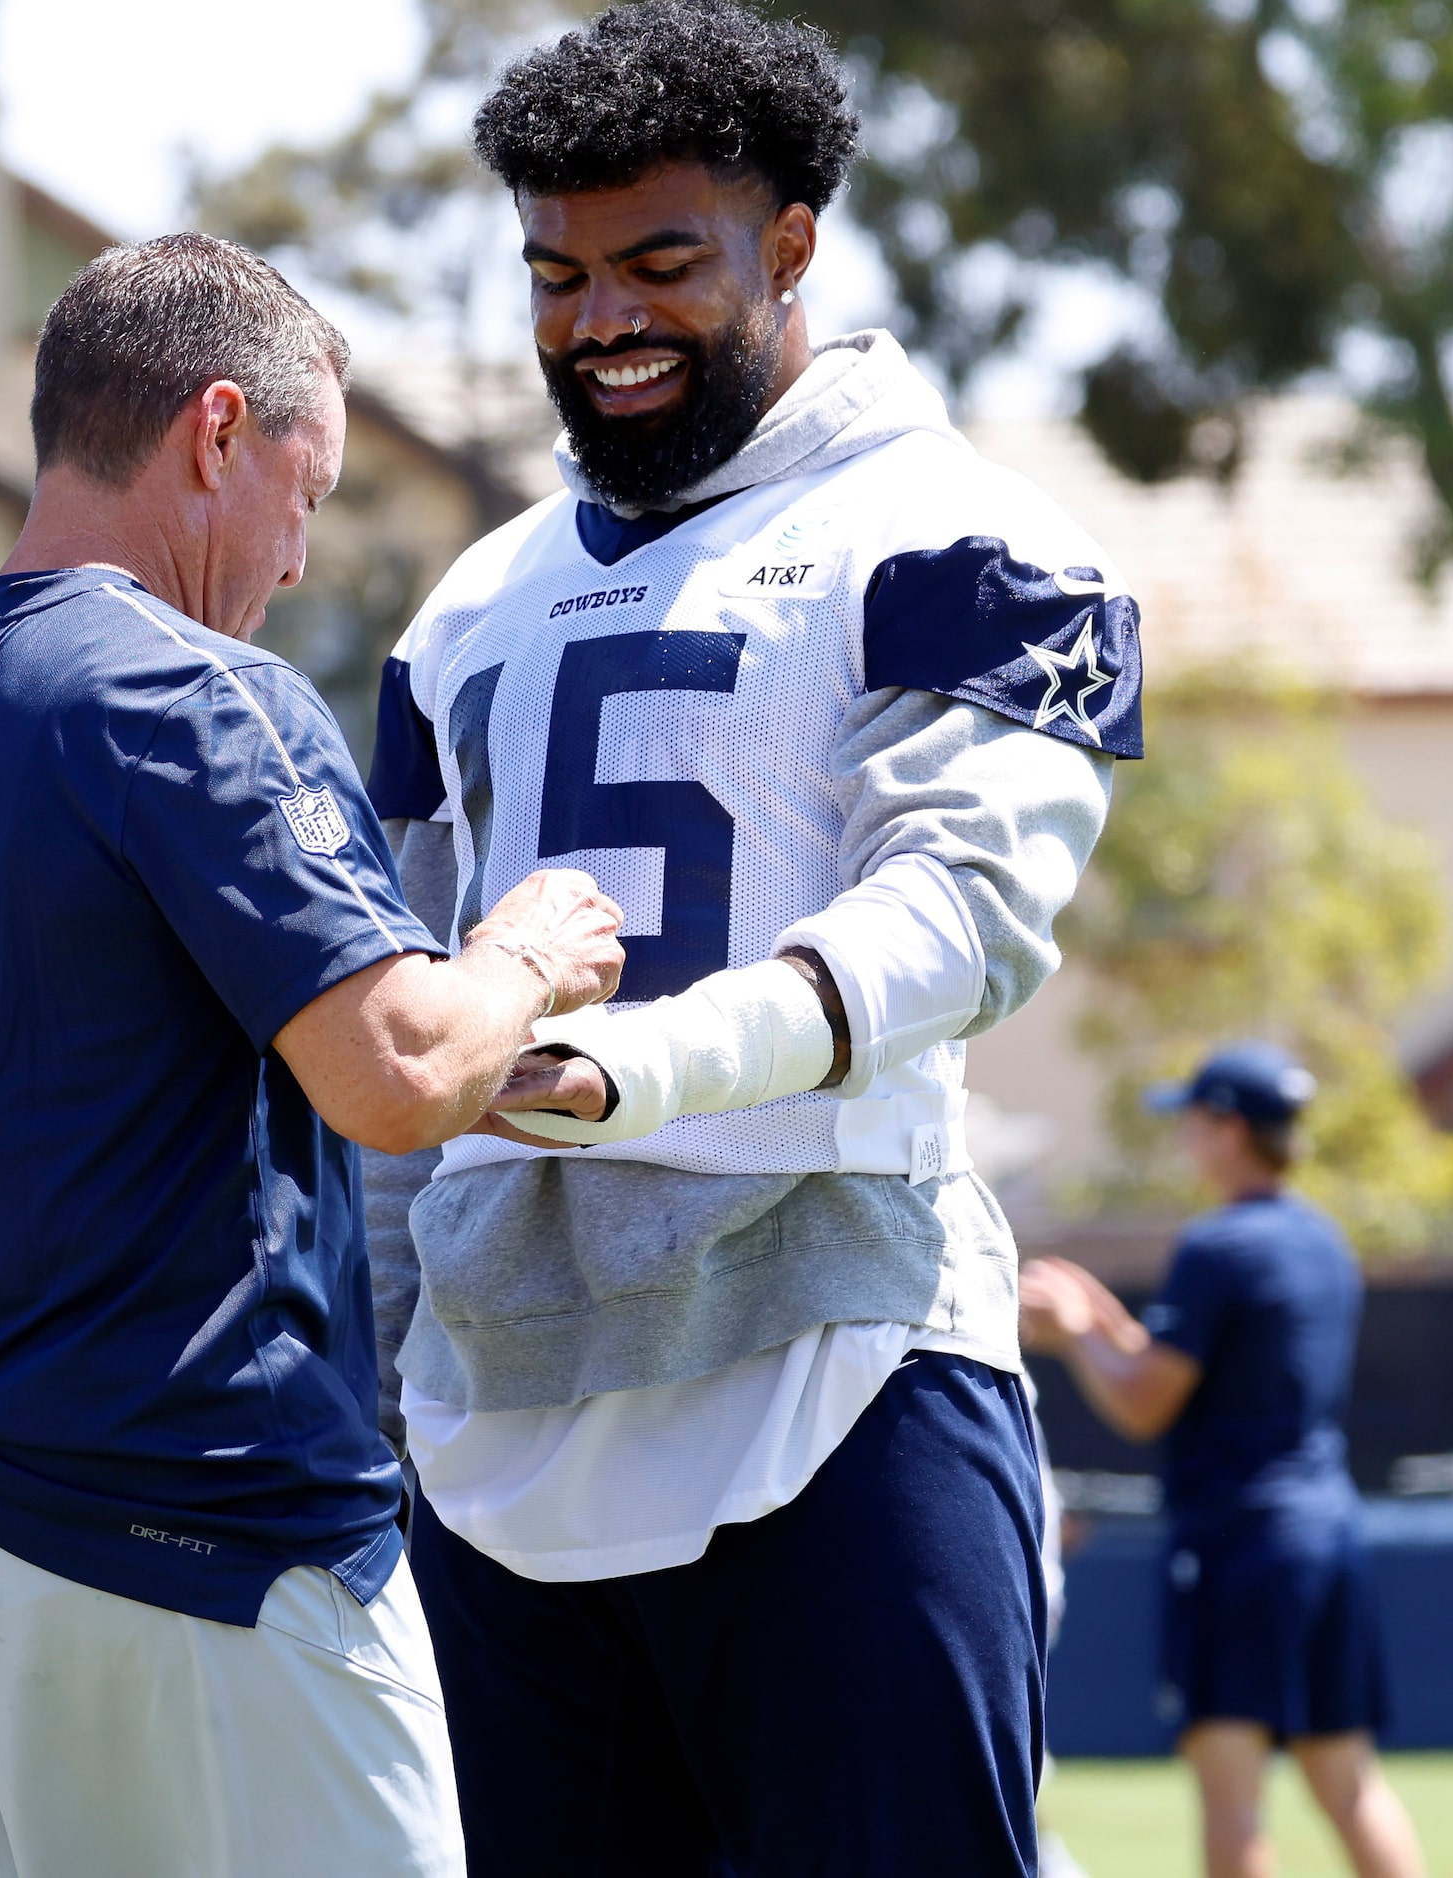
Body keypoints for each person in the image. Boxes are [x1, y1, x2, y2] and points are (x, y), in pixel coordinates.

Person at [364, 4, 1144, 1870]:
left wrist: (644, 1061)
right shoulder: (467, 604)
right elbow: (393, 1006)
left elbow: (960, 911)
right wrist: (373, 1357)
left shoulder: (962, 531)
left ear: (788, 243)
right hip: (495, 1424)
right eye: (554, 275)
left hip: (833, 1368)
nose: (597, 319)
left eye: (657, 263)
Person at [0, 232, 627, 1878]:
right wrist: (527, 959)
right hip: (207, 1534)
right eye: (305, 494)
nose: (300, 558)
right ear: (217, 429)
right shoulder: (194, 691)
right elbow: (394, 1072)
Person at [1021, 1043, 1424, 1878]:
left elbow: (1144, 1403)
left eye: (1195, 1124)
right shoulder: (1320, 1241)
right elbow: (1200, 1380)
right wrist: (1103, 1320)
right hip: (1328, 1530)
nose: (1186, 1141)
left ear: (1228, 1128)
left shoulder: (1218, 1246)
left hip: (1244, 1542)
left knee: (1233, 1797)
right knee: (1348, 1783)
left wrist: (1070, 1337)